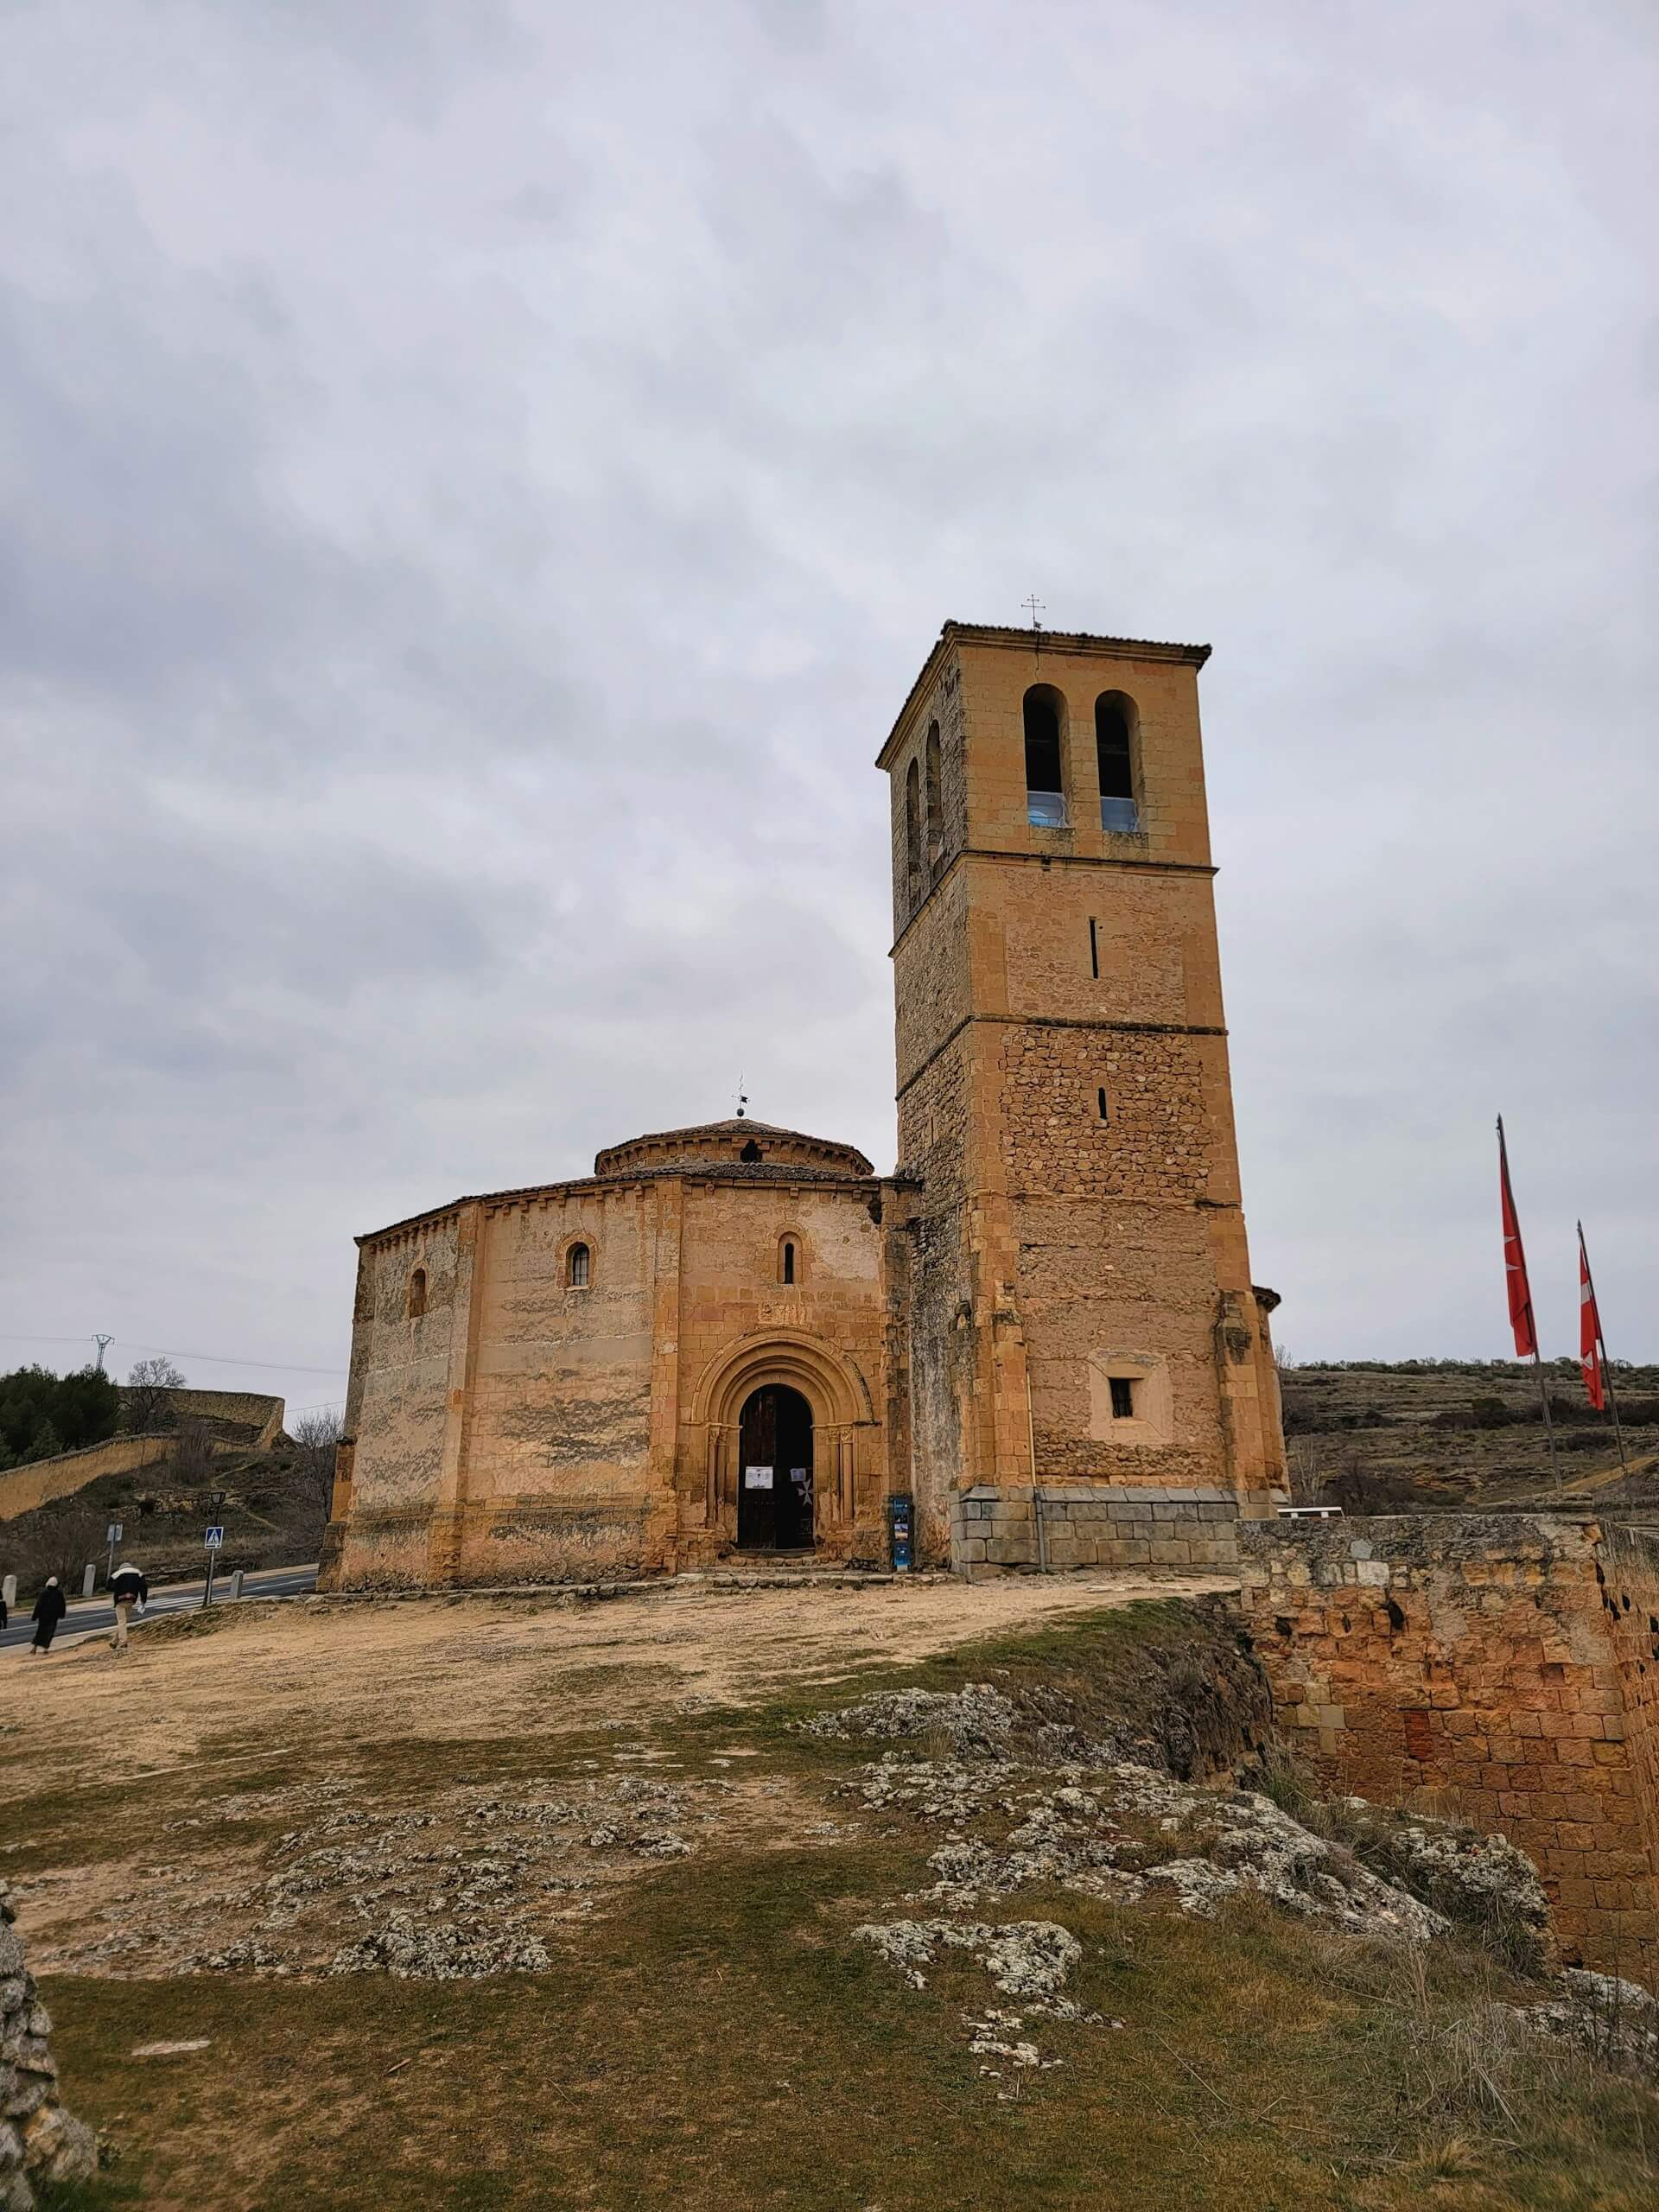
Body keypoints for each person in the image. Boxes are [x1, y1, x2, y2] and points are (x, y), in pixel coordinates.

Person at [108, 1560, 149, 1653]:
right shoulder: (138, 1573)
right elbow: (144, 1587)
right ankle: (114, 1642)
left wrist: (118, 1587)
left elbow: (109, 1587)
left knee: (121, 1621)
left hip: (120, 1600)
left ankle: (123, 1643)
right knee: (123, 1622)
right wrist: (143, 1600)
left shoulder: (117, 1574)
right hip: (131, 1600)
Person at [30, 1577, 67, 1656]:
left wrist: (35, 1616)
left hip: (43, 1616)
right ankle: (45, 1648)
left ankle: (35, 1647)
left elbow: (38, 1605)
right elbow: (62, 1605)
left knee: (40, 1631)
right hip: (53, 1617)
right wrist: (62, 1614)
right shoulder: (59, 1594)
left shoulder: (44, 1593)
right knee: (50, 1632)